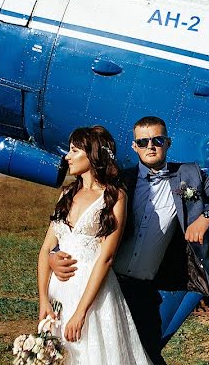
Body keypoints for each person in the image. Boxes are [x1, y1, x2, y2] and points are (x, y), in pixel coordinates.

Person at [48, 116, 209, 364]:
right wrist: (53, 254)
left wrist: (206, 216)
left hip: (145, 291)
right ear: (134, 147)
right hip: (106, 286)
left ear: (168, 142)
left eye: (157, 140)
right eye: (142, 142)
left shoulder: (189, 176)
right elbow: (79, 223)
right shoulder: (119, 183)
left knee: (147, 355)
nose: (150, 146)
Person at [37, 126, 152, 364]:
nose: (67, 156)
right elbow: (46, 249)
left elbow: (106, 257)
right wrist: (43, 301)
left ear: (92, 155)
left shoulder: (115, 196)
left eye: (74, 150)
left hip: (92, 295)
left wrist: (81, 313)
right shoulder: (66, 194)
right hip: (58, 291)